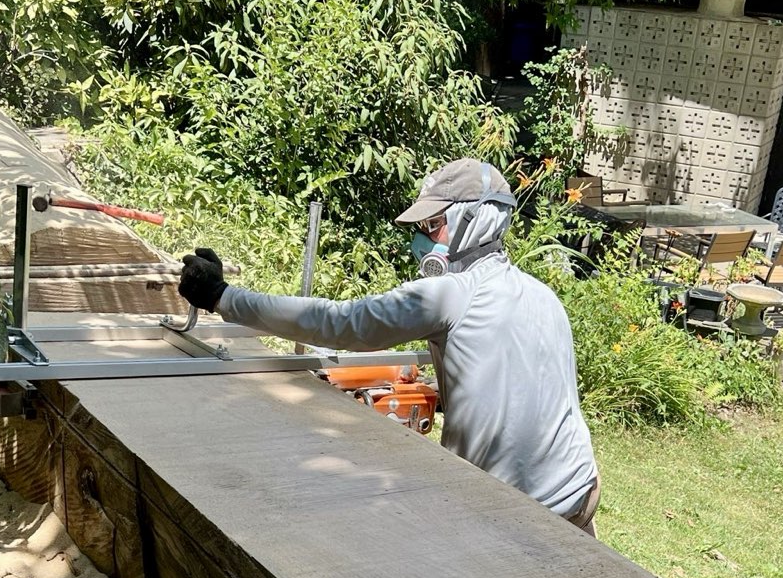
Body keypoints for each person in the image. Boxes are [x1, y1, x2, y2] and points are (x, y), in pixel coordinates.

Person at [177, 158, 602, 535]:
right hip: (577, 495)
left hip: (511, 516)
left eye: (433, 226)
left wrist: (222, 296)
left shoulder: (453, 294)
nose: (423, 241)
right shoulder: (545, 296)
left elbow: (341, 324)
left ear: (477, 220)